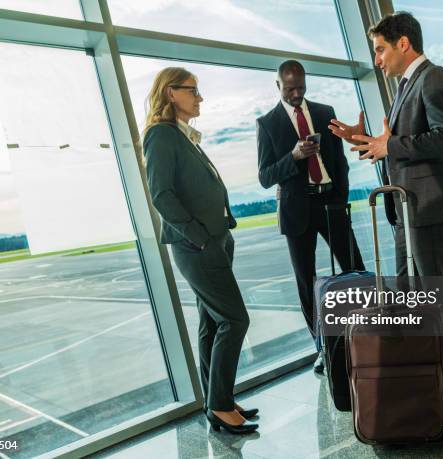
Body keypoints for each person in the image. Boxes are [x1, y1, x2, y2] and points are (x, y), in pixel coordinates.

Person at [329, 12, 443, 394]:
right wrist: (365, 140)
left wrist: (388, 144)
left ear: (403, 44)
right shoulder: (407, 86)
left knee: (439, 290)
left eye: (380, 50)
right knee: (409, 291)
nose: (377, 60)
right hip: (406, 208)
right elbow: (395, 146)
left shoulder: (435, 78)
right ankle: (428, 358)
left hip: (427, 206)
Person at [143, 67, 258, 433]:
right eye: (192, 90)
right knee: (235, 319)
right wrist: (200, 237)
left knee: (212, 322)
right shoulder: (161, 135)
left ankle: (216, 400)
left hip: (215, 239)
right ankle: (220, 404)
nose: (200, 97)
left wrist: (221, 233)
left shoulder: (184, 135)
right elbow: (161, 195)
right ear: (170, 93)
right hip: (197, 245)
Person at [256, 60, 365, 374]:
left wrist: (341, 199)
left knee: (355, 269)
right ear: (278, 85)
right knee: (307, 282)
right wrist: (293, 157)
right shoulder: (268, 124)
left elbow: (339, 162)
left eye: (301, 87)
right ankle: (322, 349)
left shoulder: (323, 111)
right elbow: (265, 176)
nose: (296, 93)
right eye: (290, 88)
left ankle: (369, 334)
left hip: (331, 203)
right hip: (296, 210)